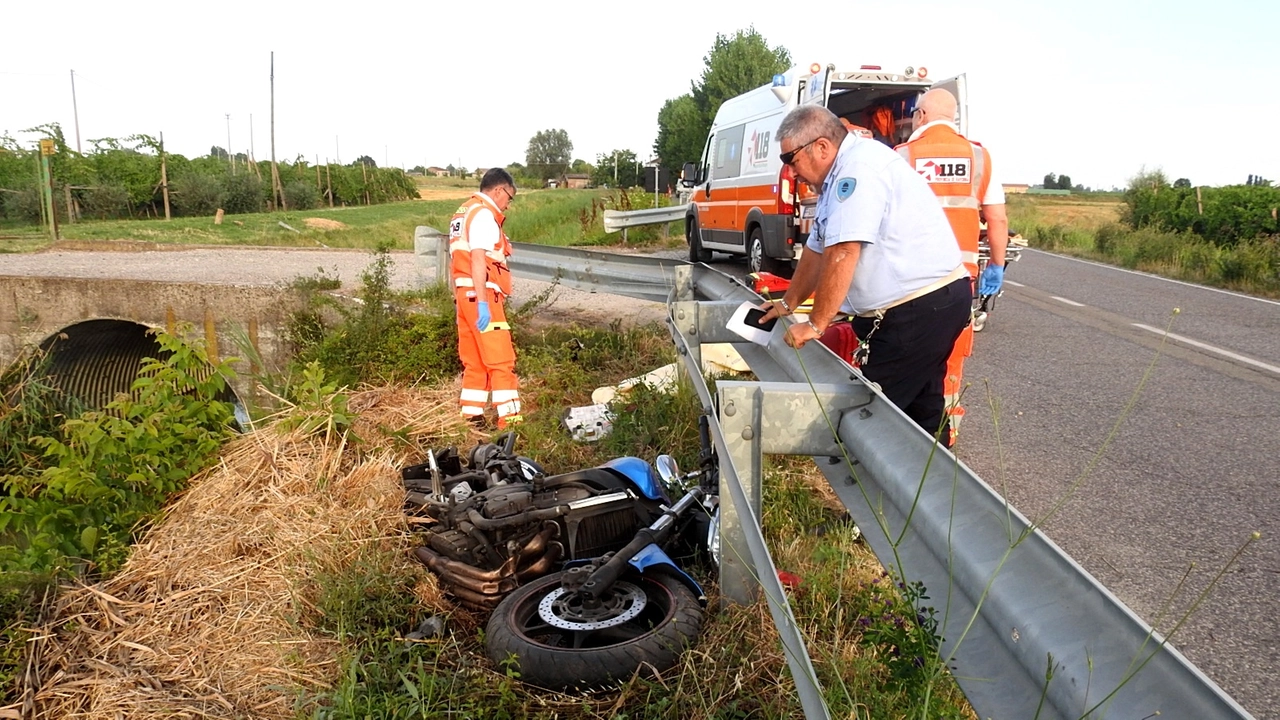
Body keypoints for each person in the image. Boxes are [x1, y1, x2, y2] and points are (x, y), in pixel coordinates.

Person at [759, 105, 972, 446]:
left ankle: (889, 487)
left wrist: (816, 324)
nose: (790, 172)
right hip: (924, 308)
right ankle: (933, 489)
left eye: (790, 159)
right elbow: (817, 251)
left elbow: (843, 251)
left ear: (822, 147)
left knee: (865, 421)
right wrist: (788, 303)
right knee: (920, 414)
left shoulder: (857, 170)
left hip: (918, 310)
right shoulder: (836, 181)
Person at [896, 88, 1009, 441]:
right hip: (961, 279)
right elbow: (997, 220)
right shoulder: (979, 157)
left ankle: (901, 431)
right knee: (950, 355)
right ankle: (947, 433)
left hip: (911, 279)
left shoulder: (903, 156)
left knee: (909, 355)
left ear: (921, 117)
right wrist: (997, 266)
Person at [449, 168, 522, 430]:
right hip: (483, 296)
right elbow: (478, 259)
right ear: (499, 190)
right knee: (501, 359)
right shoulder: (483, 216)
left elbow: (459, 259)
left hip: (464, 296)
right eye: (509, 198)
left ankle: (471, 416)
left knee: (475, 360)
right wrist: (482, 302)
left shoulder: (463, 212)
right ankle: (510, 421)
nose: (508, 204)